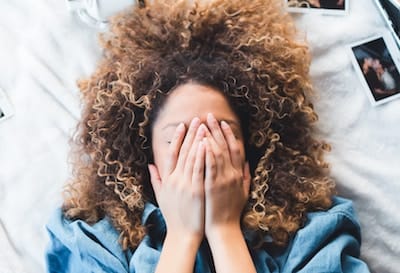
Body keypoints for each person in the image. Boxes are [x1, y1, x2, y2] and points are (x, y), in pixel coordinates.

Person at [45, 0, 371, 272]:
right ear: (145, 151)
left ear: (251, 146)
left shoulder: (314, 235)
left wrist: (225, 230)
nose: (202, 150)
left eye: (221, 133)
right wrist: (182, 235)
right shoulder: (91, 236)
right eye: (179, 137)